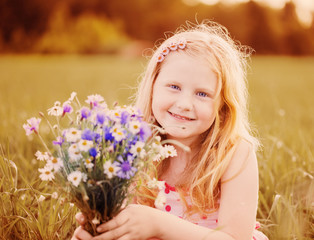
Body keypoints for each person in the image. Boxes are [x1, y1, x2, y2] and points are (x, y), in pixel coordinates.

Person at [71, 20, 268, 240]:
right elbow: (124, 223)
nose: (185, 103)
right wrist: (99, 228)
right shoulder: (132, 149)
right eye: (174, 87)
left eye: (202, 94)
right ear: (153, 86)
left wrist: (158, 224)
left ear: (222, 105)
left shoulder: (234, 153)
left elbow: (235, 237)